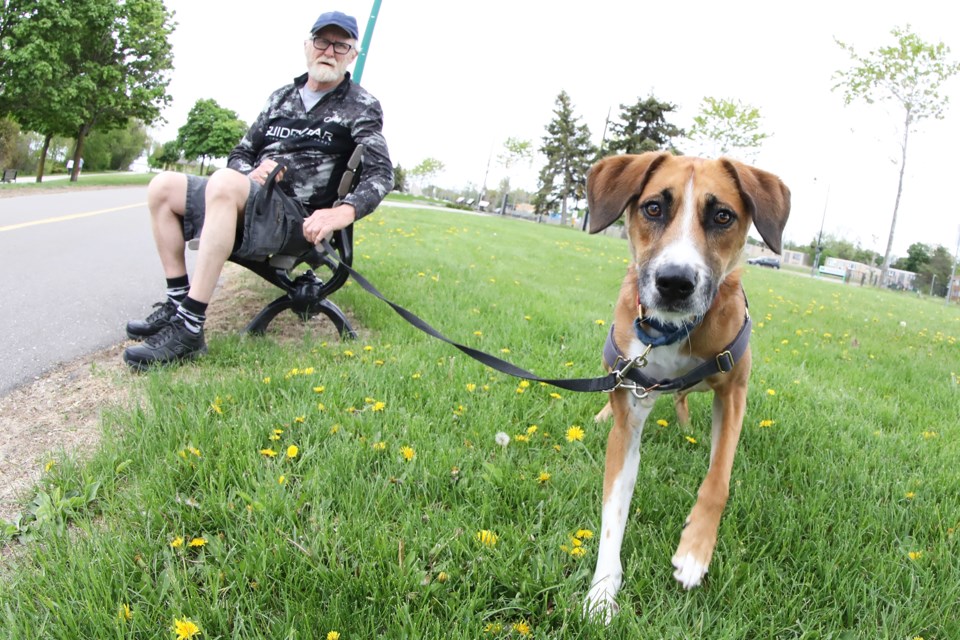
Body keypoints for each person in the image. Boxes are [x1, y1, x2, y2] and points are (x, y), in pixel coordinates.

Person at [123, 10, 393, 370]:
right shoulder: (280, 97)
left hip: (296, 220)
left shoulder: (360, 105)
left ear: (352, 56)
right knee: (162, 187)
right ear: (307, 46)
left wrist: (338, 213)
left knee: (222, 181)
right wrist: (250, 172)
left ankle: (189, 328)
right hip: (249, 200)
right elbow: (241, 153)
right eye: (322, 41)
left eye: (340, 45)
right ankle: (176, 303)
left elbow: (381, 173)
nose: (329, 50)